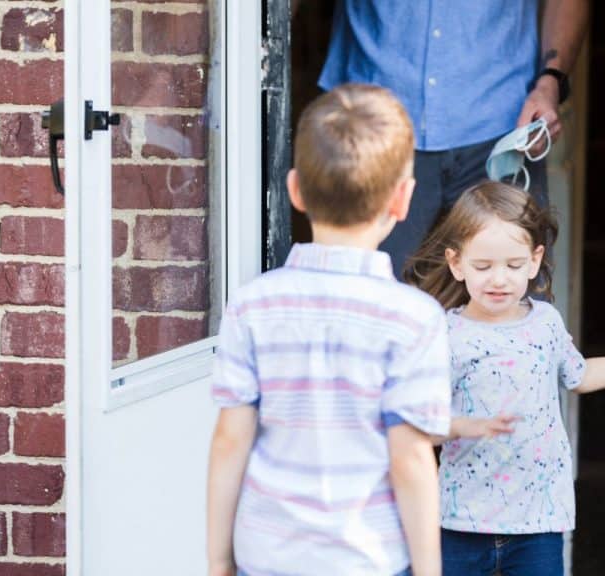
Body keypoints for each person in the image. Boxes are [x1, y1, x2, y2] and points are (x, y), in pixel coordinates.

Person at [206, 84, 513, 576]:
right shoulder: (412, 318)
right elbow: (410, 457)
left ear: (295, 191)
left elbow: (229, 440)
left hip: (267, 558)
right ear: (402, 199)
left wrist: (219, 560)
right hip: (368, 559)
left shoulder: (252, 304)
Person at [406, 181, 605, 575]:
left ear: (534, 259)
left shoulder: (545, 322)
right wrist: (464, 426)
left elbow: (580, 376)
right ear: (456, 263)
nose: (499, 279)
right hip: (461, 522)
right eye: (483, 266)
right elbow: (421, 427)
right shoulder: (444, 332)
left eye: (513, 265)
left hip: (539, 521)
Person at [304, 0, 588, 275]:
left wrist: (551, 80)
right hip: (371, 129)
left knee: (511, 308)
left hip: (502, 129)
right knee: (363, 306)